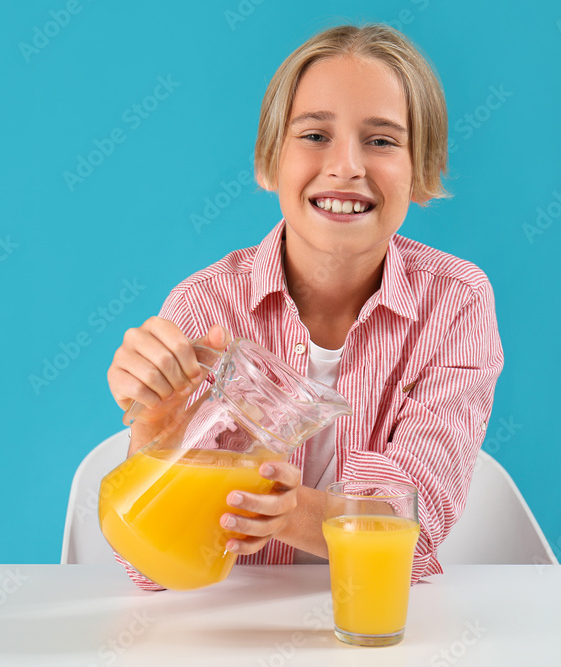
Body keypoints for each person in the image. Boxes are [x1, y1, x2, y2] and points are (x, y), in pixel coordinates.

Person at [106, 23, 503, 590]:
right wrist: (155, 418)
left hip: (372, 626)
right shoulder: (206, 303)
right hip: (232, 625)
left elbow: (411, 524)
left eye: (383, 140)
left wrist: (288, 513)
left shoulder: (455, 303)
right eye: (315, 135)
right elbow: (148, 565)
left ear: (421, 172)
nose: (347, 166)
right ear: (270, 163)